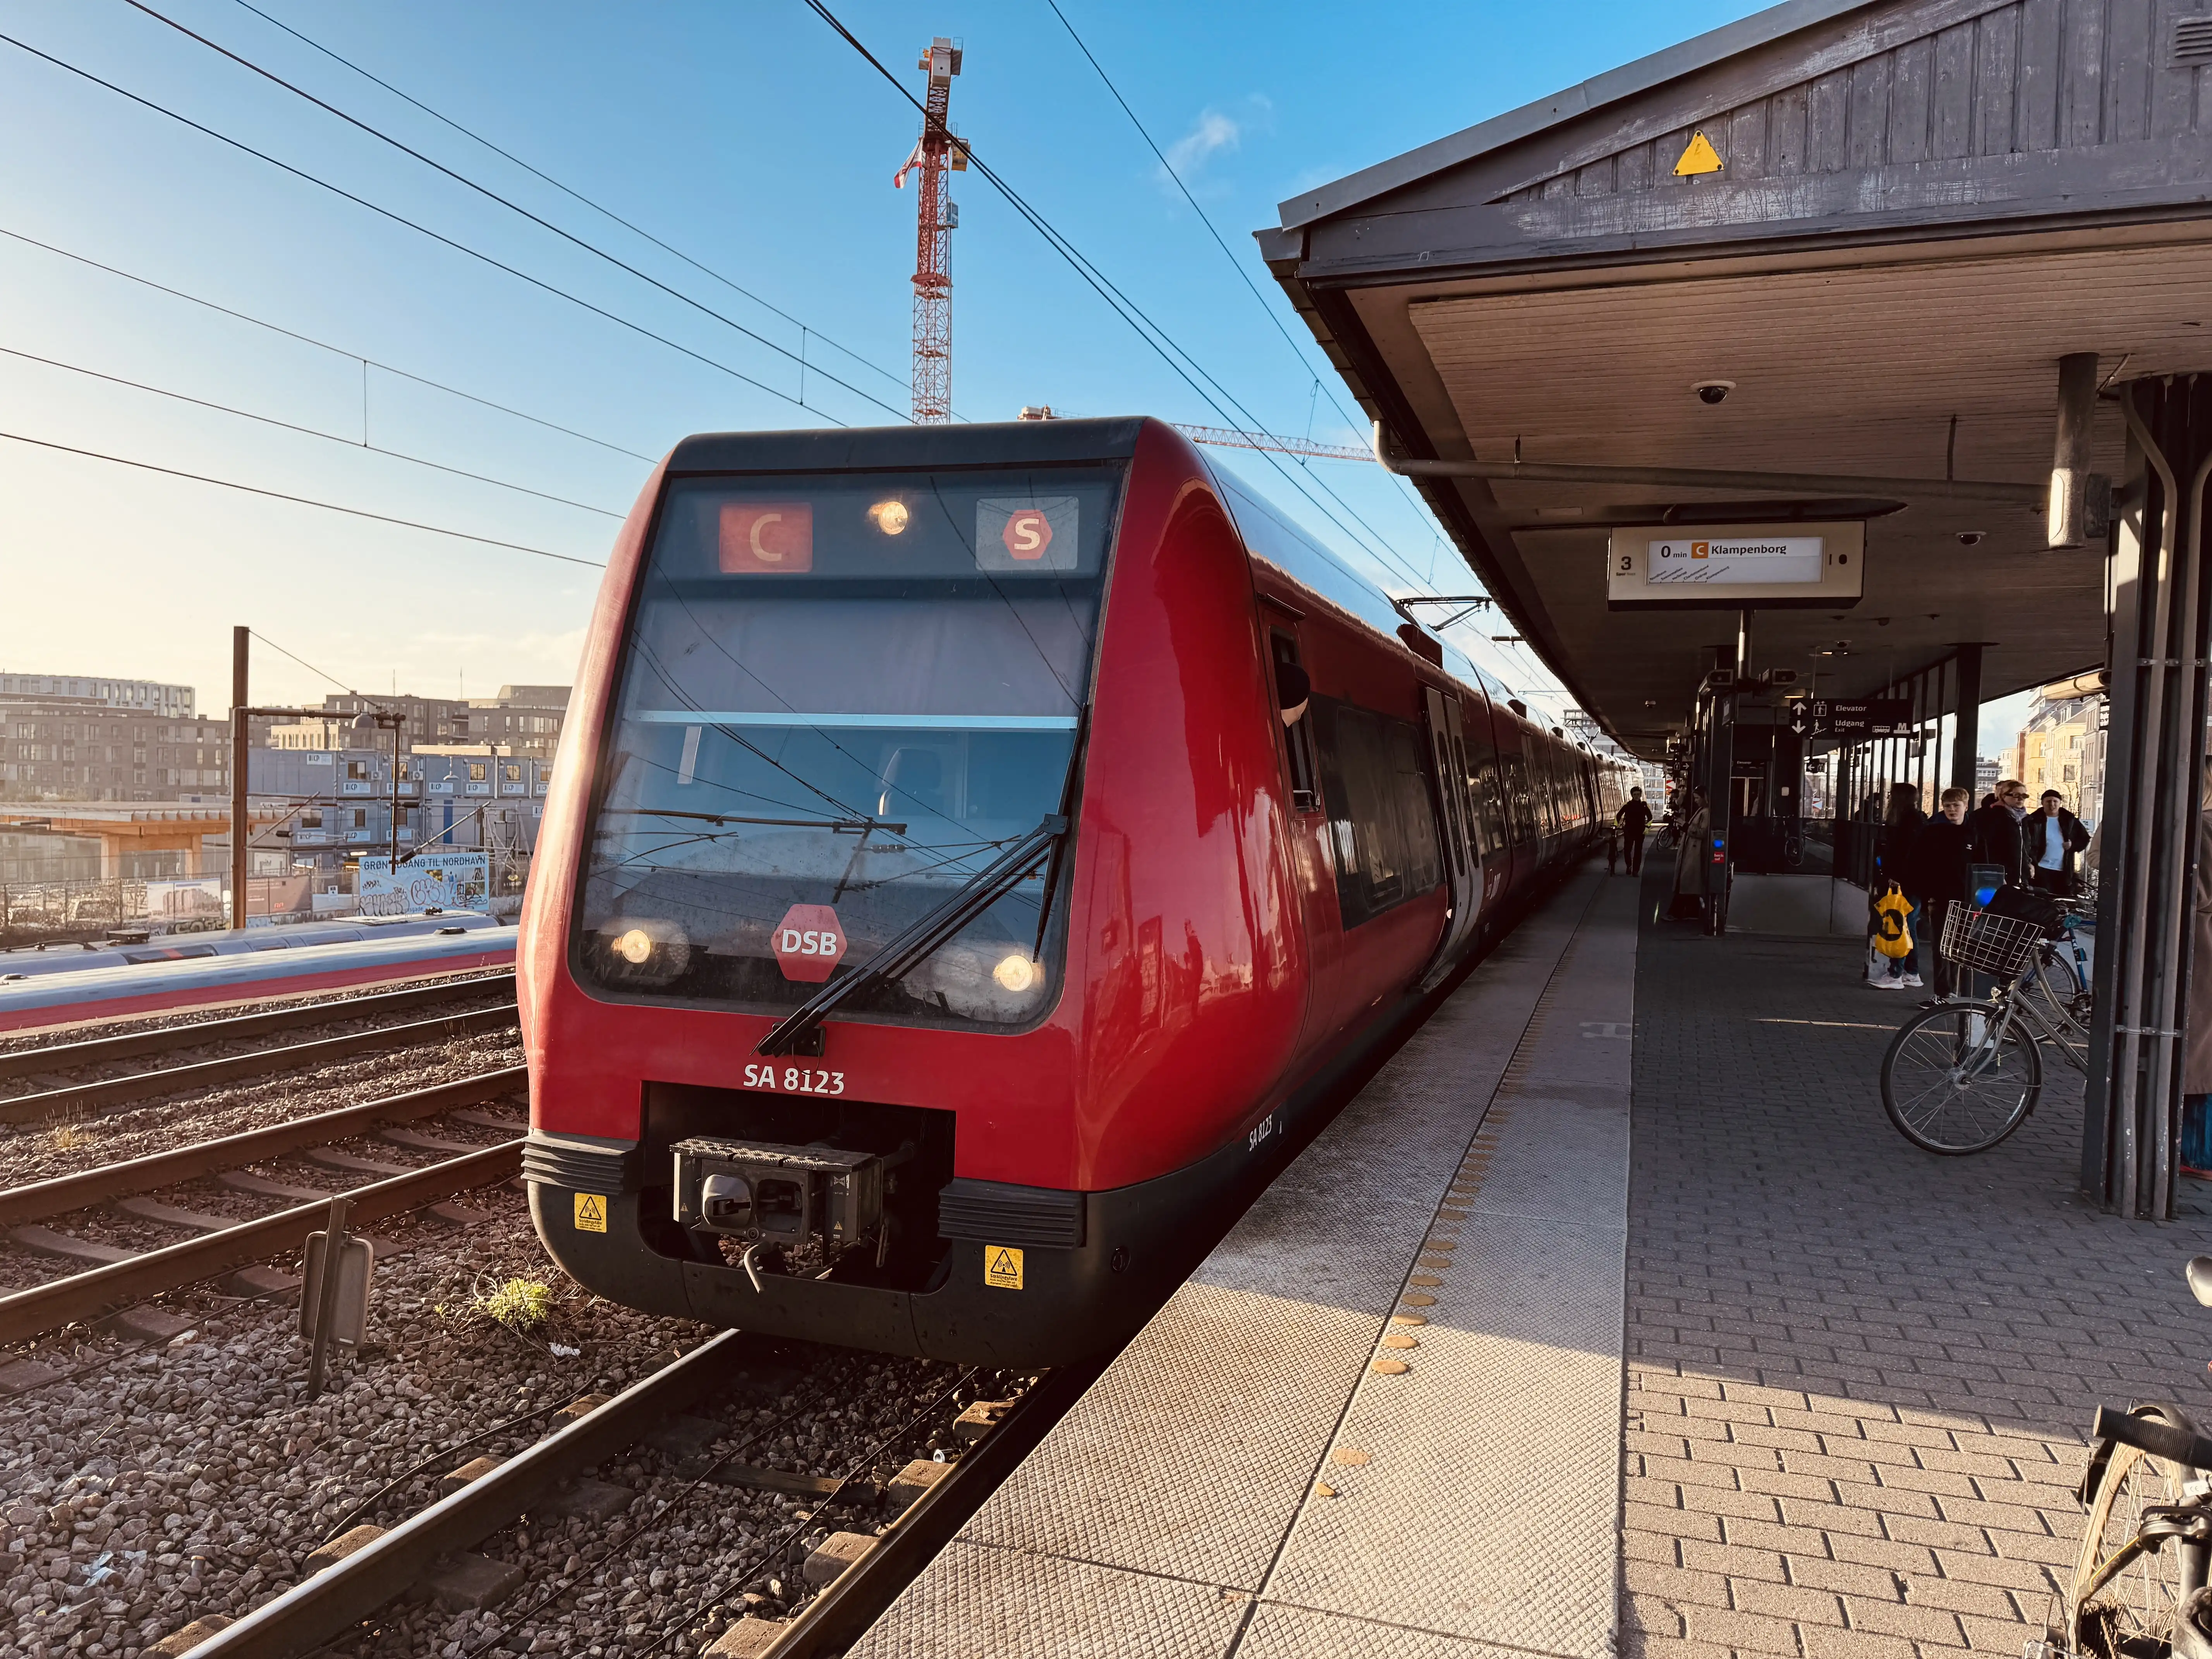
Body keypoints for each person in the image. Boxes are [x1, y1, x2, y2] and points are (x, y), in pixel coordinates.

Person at [1915, 786, 1975, 1001]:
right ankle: (1942, 991)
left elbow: (1985, 866)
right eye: (1948, 806)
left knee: (1960, 946)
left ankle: (1955, 990)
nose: (1952, 810)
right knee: (1942, 945)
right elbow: (1921, 865)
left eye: (1956, 806)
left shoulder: (1975, 834)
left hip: (1967, 900)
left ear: (1966, 807)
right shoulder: (1932, 832)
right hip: (1940, 898)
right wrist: (1927, 895)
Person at [1869, 783, 1927, 989]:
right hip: (1914, 881)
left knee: (1900, 925)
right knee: (1908, 926)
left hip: (1906, 881)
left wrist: (1895, 876)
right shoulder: (1916, 820)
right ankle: (1911, 973)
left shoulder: (1907, 822)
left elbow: (1905, 853)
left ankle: (1897, 974)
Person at [2022, 789, 2092, 896]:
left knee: (2062, 900)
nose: (2052, 804)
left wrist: (2072, 845)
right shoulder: (2033, 820)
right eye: (2049, 801)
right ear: (2042, 803)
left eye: (2055, 801)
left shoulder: (2070, 820)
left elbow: (2084, 839)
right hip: (2040, 868)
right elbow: (2027, 843)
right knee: (2043, 898)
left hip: (2063, 869)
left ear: (2060, 803)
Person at [1968, 778, 2032, 890]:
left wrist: (2030, 864)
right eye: (2016, 795)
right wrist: (1995, 874)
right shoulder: (1993, 817)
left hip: (2020, 877)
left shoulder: (2024, 819)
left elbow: (2025, 846)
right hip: (1999, 877)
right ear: (2003, 796)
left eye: (2024, 796)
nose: (2020, 799)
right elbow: (1988, 849)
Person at [1671, 787, 1711, 920]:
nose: (1696, 801)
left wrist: (1686, 826)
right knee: (1689, 882)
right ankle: (1690, 911)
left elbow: (1702, 833)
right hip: (1692, 851)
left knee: (1688, 880)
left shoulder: (1706, 813)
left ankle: (1680, 912)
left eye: (1697, 798)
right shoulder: (1702, 811)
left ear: (1705, 798)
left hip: (1695, 851)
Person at [1616, 787, 1653, 876]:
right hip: (1629, 831)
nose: (1637, 796)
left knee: (1638, 851)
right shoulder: (1627, 806)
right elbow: (1618, 816)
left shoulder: (1644, 806)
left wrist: (1647, 828)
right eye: (1635, 794)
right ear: (1632, 795)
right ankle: (1629, 866)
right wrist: (1615, 826)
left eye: (1638, 794)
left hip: (1640, 832)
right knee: (1627, 850)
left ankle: (1636, 870)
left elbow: (1650, 818)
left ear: (1641, 795)